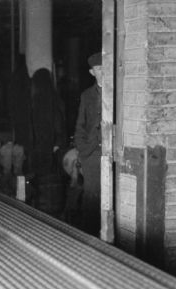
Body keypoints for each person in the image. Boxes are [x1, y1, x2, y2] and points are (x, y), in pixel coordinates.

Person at [73, 52, 102, 236]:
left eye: (105, 68)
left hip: (109, 153)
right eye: (99, 69)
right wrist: (83, 151)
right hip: (91, 155)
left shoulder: (116, 93)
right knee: (91, 197)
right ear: (92, 73)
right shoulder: (87, 96)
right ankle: (90, 237)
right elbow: (80, 126)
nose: (103, 73)